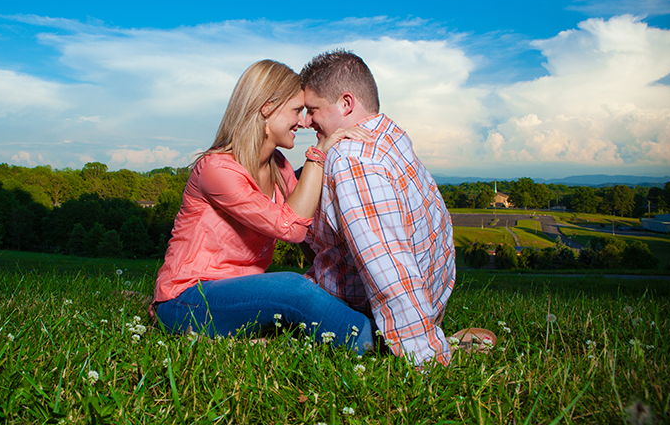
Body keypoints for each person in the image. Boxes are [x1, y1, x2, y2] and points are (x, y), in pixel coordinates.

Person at [152, 59, 375, 353]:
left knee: (310, 291)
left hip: (240, 298)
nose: (304, 121)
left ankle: (384, 324)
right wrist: (318, 154)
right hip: (186, 298)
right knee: (293, 291)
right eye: (297, 111)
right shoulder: (216, 169)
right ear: (266, 109)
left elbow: (309, 231)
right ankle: (381, 342)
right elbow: (291, 227)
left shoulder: (280, 168)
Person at [299, 50, 456, 366]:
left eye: (313, 109)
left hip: (370, 313)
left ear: (346, 103)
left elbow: (387, 263)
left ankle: (408, 343)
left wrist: (426, 357)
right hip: (434, 297)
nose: (306, 121)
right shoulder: (388, 133)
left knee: (281, 293)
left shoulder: (352, 161)